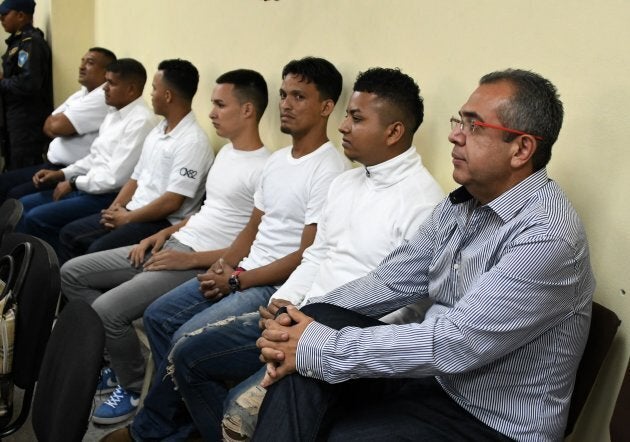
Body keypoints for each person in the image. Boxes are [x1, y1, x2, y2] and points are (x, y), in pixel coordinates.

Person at [252, 69, 596, 442]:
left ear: (521, 149)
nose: (454, 135)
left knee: (334, 411)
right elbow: (390, 281)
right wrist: (293, 325)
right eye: (459, 121)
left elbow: (455, 343)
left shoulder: (547, 234)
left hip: (491, 420)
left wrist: (316, 345)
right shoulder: (463, 204)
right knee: (318, 320)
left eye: (474, 126)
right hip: (433, 380)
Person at [167, 67, 445, 441]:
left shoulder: (423, 202)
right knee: (188, 355)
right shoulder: (346, 183)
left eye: (356, 118)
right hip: (297, 315)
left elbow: (409, 306)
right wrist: (284, 301)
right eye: (347, 114)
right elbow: (315, 255)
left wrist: (311, 327)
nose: (343, 126)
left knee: (238, 408)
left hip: (343, 338)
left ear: (394, 132)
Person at [98, 56, 348, 441]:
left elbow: (305, 255)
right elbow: (254, 226)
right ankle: (179, 418)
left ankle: (152, 430)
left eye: (299, 96)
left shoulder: (328, 168)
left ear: (327, 107)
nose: (286, 103)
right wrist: (224, 265)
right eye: (284, 94)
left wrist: (239, 279)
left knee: (186, 341)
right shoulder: (279, 161)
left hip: (270, 285)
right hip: (242, 270)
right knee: (159, 316)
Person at [61, 68, 272, 424]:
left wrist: (184, 259)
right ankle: (121, 359)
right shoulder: (228, 155)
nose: (211, 113)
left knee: (109, 310)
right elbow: (207, 211)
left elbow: (248, 242)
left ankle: (130, 387)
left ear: (247, 110)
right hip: (174, 243)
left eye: (220, 105)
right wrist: (159, 235)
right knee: (73, 273)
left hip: (195, 261)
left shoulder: (265, 168)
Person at [56, 59, 213, 264]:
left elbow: (172, 202)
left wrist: (128, 218)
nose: (151, 94)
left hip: (159, 221)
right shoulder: (159, 130)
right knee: (69, 232)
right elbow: (135, 178)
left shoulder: (192, 142)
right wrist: (114, 209)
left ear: (167, 96)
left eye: (155, 89)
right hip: (133, 211)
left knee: (93, 249)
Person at [16, 58, 156, 252]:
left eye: (112, 83)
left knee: (36, 217)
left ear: (131, 89)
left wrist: (73, 182)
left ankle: (49, 274)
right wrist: (63, 174)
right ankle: (23, 268)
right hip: (88, 186)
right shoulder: (114, 112)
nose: (105, 88)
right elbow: (94, 157)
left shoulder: (140, 121)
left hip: (108, 196)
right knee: (23, 204)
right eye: (106, 81)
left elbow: (115, 179)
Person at [0, 47, 115, 203]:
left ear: (106, 72)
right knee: (4, 181)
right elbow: (48, 125)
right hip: (52, 164)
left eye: (90, 63)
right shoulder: (81, 94)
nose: (81, 67)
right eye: (82, 61)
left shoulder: (102, 97)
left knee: (16, 195)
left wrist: (64, 128)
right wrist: (67, 128)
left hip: (72, 171)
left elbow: (56, 127)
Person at [0, 0, 52, 170]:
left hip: (27, 122)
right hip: (16, 118)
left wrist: (2, 82)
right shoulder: (18, 42)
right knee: (12, 166)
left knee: (22, 169)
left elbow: (28, 83)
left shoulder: (30, 43)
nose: (1, 19)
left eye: (5, 14)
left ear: (21, 15)